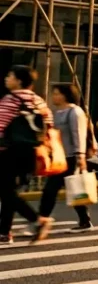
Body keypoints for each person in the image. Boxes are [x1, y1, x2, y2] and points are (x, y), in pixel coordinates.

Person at [0, 65, 54, 244]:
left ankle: (37, 220)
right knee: (9, 191)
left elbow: (0, 125)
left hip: (11, 152)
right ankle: (4, 232)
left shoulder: (11, 99)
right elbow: (49, 125)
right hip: (33, 152)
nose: (7, 78)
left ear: (19, 80)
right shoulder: (39, 100)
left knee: (5, 190)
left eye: (10, 75)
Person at [38, 83, 93, 231]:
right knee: (71, 189)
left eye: (56, 93)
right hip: (60, 157)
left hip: (72, 157)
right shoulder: (56, 112)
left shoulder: (75, 112)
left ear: (65, 95)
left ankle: (42, 220)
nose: (54, 96)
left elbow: (79, 135)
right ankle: (84, 221)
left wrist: (80, 156)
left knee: (59, 189)